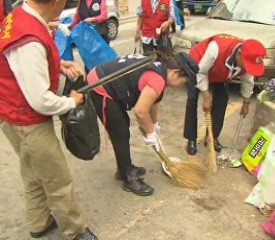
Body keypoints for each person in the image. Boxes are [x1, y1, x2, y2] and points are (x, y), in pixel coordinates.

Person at [0, 0, 99, 239]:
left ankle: (39, 222)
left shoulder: (21, 16)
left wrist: (56, 65)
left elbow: (23, 67)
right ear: (55, 2)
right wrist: (72, 101)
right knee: (58, 179)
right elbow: (40, 100)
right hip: (28, 120)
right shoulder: (29, 38)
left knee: (33, 173)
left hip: (11, 111)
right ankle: (75, 231)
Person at [87, 51, 199, 196]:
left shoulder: (161, 70)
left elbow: (152, 101)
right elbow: (140, 111)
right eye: (183, 82)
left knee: (122, 128)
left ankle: (124, 168)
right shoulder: (157, 78)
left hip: (107, 80)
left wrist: (154, 123)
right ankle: (127, 177)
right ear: (175, 73)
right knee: (120, 133)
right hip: (101, 85)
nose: (180, 86)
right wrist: (150, 132)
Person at [184, 34, 266, 155]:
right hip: (198, 67)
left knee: (222, 99)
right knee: (192, 98)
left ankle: (212, 138)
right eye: (247, 65)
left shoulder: (248, 56)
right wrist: (206, 96)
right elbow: (201, 72)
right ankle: (191, 139)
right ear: (239, 54)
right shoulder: (216, 49)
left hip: (218, 73)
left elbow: (248, 80)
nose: (247, 68)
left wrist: (246, 102)